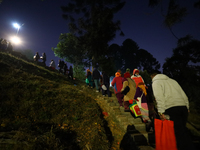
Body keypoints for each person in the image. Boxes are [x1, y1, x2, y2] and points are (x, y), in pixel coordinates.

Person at [151, 72, 196, 150]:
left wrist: (161, 112)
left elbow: (159, 97)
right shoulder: (173, 81)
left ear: (153, 77)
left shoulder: (156, 82)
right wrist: (187, 106)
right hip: (183, 107)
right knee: (183, 131)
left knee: (178, 134)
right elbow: (183, 94)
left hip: (171, 107)